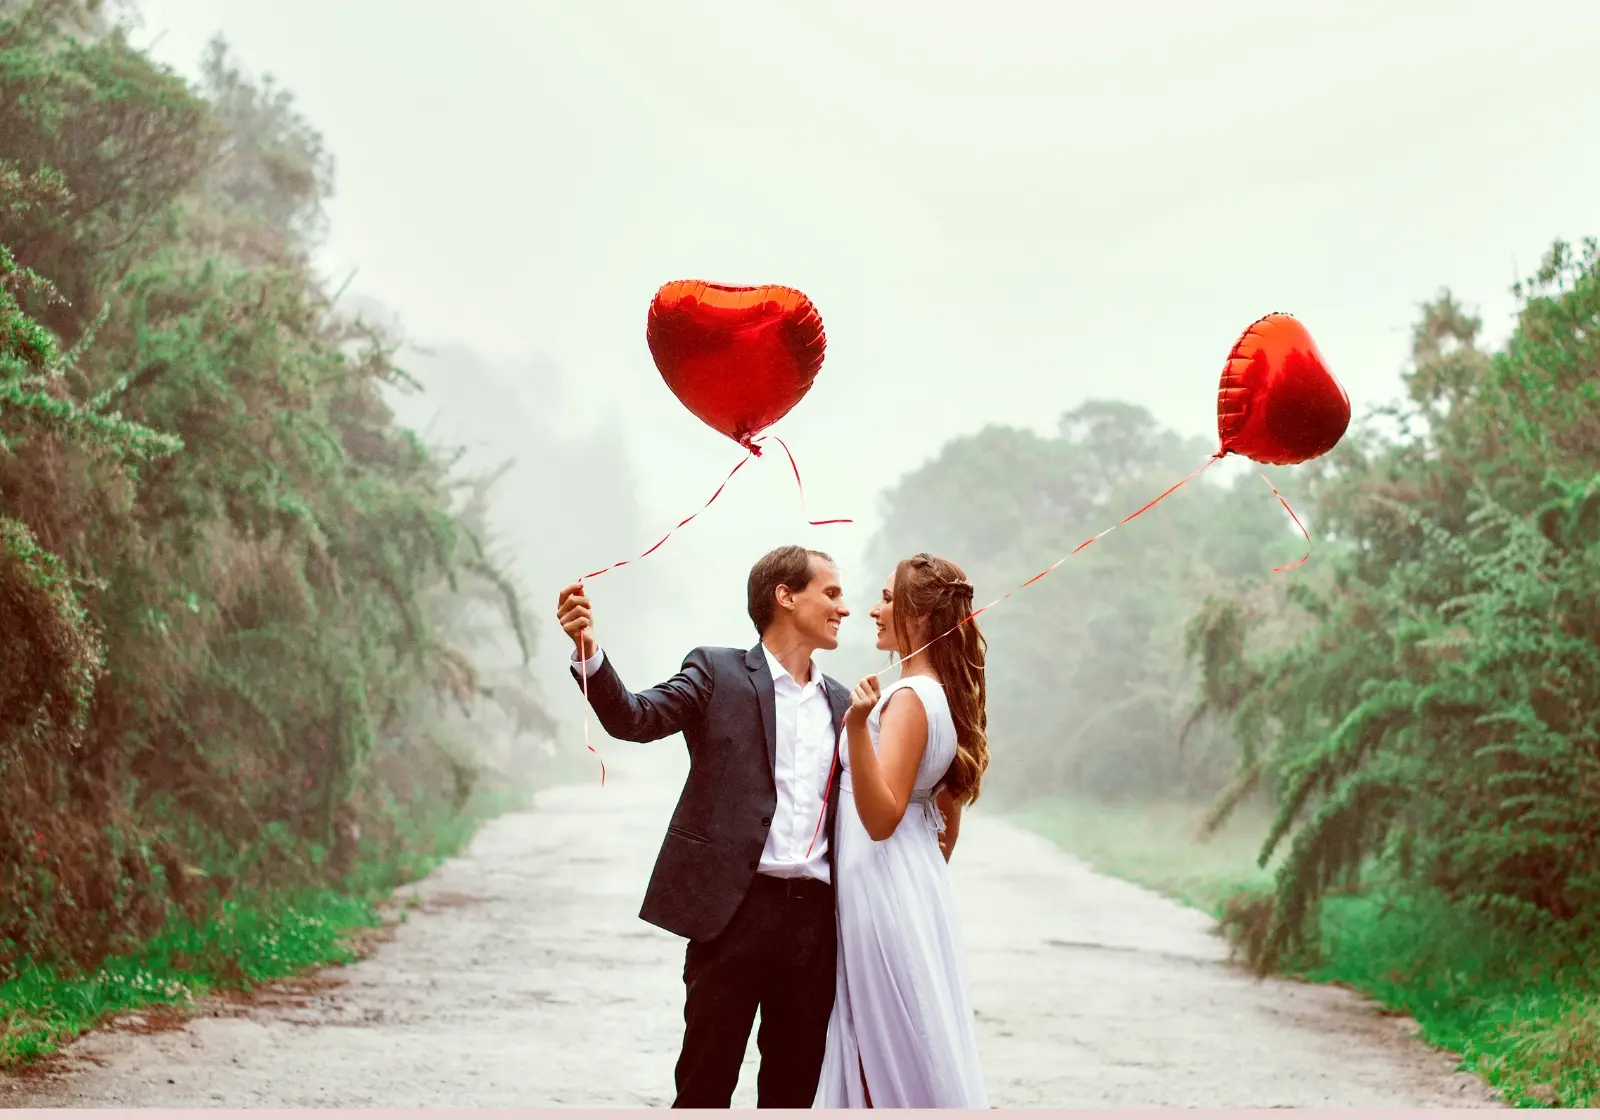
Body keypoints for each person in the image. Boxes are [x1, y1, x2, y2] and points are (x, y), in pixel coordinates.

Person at [554, 545, 852, 1109]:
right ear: (785, 597)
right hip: (732, 915)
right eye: (831, 593)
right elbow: (635, 719)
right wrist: (588, 652)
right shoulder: (717, 673)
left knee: (793, 1094)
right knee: (704, 1086)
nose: (844, 607)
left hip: (815, 926)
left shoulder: (844, 703)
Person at [814, 552, 990, 1109]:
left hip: (880, 884)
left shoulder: (910, 699)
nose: (873, 609)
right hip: (908, 882)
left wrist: (857, 726)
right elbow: (946, 820)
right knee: (902, 1035)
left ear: (920, 613)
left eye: (888, 599)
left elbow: (881, 818)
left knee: (882, 1042)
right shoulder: (939, 693)